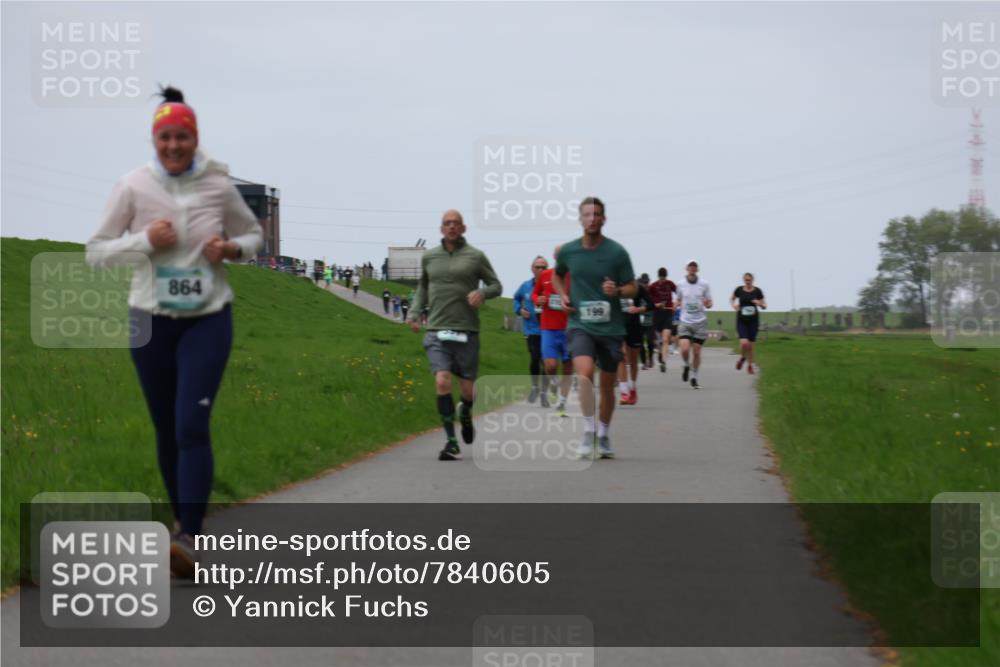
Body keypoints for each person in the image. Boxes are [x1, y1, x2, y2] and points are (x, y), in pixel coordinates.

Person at [86, 86, 263, 578]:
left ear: (195, 137)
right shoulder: (132, 186)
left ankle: (189, 535)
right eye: (165, 137)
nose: (173, 146)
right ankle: (184, 521)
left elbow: (253, 234)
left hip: (207, 318)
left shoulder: (219, 187)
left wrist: (230, 250)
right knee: (166, 426)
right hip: (149, 320)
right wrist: (146, 240)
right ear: (154, 139)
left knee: (190, 423)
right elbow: (96, 252)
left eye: (182, 137)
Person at [408, 210, 502, 460]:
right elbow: (423, 287)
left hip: (467, 331)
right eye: (447, 224)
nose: (451, 227)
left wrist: (482, 294)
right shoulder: (429, 257)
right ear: (441, 228)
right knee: (442, 381)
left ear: (463, 228)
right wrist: (415, 312)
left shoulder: (475, 256)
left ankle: (467, 413)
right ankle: (451, 441)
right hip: (437, 329)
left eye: (455, 224)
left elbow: (496, 285)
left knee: (468, 391)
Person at [551, 197, 636, 459]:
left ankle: (604, 433)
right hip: (580, 324)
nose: (591, 219)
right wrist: (563, 294)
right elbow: (557, 274)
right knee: (585, 374)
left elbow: (633, 287)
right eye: (587, 214)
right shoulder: (569, 251)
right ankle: (588, 431)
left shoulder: (617, 252)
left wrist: (619, 290)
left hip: (611, 328)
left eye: (596, 214)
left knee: (608, 386)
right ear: (580, 219)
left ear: (603, 219)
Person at [532, 246, 573, 415]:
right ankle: (554, 384)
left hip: (569, 328)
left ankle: (562, 402)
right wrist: (538, 299)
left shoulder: (573, 276)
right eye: (558, 255)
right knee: (550, 365)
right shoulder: (546, 275)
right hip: (548, 327)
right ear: (555, 257)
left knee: (568, 367)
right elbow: (534, 295)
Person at [675, 260, 713, 389]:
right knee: (685, 349)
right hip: (685, 321)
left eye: (694, 267)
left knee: (696, 352)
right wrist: (675, 305)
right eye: (690, 266)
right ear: (686, 269)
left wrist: (708, 304)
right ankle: (686, 365)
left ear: (697, 269)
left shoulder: (704, 284)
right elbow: (678, 299)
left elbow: (709, 302)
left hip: (700, 322)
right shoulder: (680, 284)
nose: (692, 268)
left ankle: (694, 378)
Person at [617, 274, 654, 405]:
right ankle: (623, 392)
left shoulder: (637, 287)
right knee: (620, 357)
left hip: (634, 326)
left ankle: (632, 389)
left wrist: (639, 309)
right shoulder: (613, 285)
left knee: (632, 360)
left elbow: (651, 304)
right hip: (617, 326)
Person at [513, 257, 545, 402]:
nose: (540, 270)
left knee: (548, 362)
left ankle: (544, 391)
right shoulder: (525, 286)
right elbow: (516, 298)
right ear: (532, 269)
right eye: (537, 267)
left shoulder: (551, 285)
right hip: (532, 330)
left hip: (549, 329)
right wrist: (520, 310)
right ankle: (534, 388)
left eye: (543, 267)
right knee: (534, 358)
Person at [731, 272, 767, 374]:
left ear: (752, 280)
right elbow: (731, 299)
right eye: (746, 280)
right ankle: (742, 358)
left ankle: (750, 365)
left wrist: (759, 303)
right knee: (744, 343)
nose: (748, 282)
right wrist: (734, 305)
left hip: (753, 321)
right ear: (743, 280)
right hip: (741, 320)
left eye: (749, 280)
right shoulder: (739, 290)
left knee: (751, 346)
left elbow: (765, 306)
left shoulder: (757, 291)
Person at [647, 267, 677, 373]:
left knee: (665, 339)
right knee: (657, 341)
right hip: (657, 314)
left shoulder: (670, 284)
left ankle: (663, 362)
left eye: (664, 279)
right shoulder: (653, 286)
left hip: (668, 314)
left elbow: (680, 294)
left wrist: (676, 304)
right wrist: (655, 304)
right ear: (658, 277)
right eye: (661, 279)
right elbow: (646, 297)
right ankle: (660, 352)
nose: (662, 281)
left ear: (666, 277)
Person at [637, 274, 657, 369]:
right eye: (643, 282)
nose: (645, 284)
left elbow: (654, 304)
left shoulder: (651, 292)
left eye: (647, 282)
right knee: (640, 343)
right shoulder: (637, 292)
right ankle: (644, 362)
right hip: (639, 321)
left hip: (650, 320)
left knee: (650, 342)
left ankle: (651, 358)